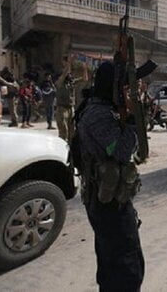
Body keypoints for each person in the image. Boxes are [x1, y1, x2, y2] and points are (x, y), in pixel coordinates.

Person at [76, 62, 145, 291]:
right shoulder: (99, 115)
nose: (127, 91)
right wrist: (133, 125)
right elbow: (122, 151)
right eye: (124, 86)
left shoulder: (102, 108)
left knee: (112, 261)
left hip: (107, 199)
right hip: (107, 203)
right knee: (125, 267)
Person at [56, 55, 88, 143]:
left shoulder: (71, 83)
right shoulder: (60, 83)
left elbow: (85, 79)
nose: (70, 76)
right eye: (69, 75)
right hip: (62, 109)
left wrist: (85, 68)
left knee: (72, 132)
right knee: (64, 132)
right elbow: (64, 74)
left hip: (71, 108)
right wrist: (69, 63)